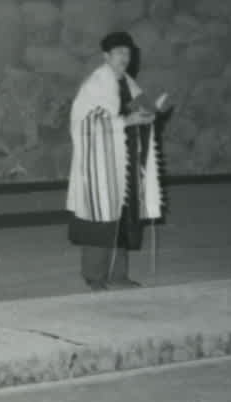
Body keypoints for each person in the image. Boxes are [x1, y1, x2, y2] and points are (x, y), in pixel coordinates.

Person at [65, 31, 165, 290]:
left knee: (123, 217)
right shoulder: (95, 84)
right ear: (105, 56)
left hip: (126, 161)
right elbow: (85, 122)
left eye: (127, 52)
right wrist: (126, 121)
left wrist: (150, 114)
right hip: (101, 164)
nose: (124, 57)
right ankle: (95, 276)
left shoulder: (129, 84)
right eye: (119, 52)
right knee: (100, 220)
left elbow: (144, 110)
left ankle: (118, 275)